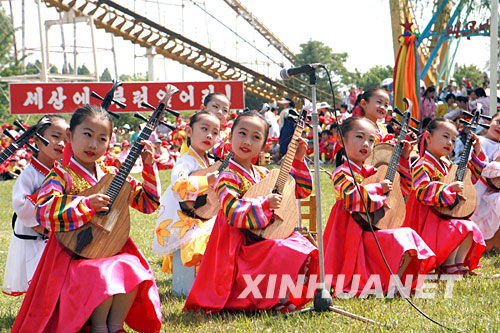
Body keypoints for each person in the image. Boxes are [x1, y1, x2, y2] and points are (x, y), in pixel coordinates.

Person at [12, 104, 163, 332]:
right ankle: (98, 326)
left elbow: (148, 203)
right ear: (70, 136)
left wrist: (149, 166)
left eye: (102, 139)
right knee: (100, 274)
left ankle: (114, 325)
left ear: (109, 142)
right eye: (87, 135)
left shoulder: (111, 175)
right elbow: (42, 209)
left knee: (135, 267)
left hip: (109, 247)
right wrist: (85, 204)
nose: (93, 144)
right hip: (70, 254)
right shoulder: (61, 175)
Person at [184, 110, 318, 313]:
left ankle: (279, 297)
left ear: (264, 146)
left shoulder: (264, 173)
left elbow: (299, 191)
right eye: (242, 134)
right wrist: (265, 203)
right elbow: (232, 211)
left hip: (262, 235)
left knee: (300, 244)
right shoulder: (227, 175)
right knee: (283, 249)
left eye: (256, 137)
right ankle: (261, 299)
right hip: (239, 242)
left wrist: (298, 159)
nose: (247, 141)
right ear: (230, 137)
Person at [323, 117, 436, 296]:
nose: (366, 144)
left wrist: (404, 160)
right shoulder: (341, 172)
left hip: (372, 226)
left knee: (407, 235)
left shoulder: (374, 172)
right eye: (359, 137)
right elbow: (351, 196)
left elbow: (403, 189)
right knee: (398, 238)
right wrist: (378, 188)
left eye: (370, 140)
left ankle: (395, 282)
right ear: (341, 140)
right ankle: (381, 282)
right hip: (351, 231)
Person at [403, 118, 486, 275]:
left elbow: (470, 179)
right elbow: (422, 191)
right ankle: (448, 264)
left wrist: (477, 150)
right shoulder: (422, 164)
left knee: (469, 227)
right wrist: (448, 189)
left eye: (454, 140)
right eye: (445, 137)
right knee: (458, 228)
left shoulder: (447, 164)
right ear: (428, 137)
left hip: (444, 214)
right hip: (427, 218)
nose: (450, 143)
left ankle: (458, 263)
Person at [3, 115, 68, 296]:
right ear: (37, 141)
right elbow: (21, 203)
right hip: (34, 233)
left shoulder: (60, 171)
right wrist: (40, 227)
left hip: (53, 233)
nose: (61, 144)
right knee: (38, 276)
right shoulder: (30, 174)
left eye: (66, 139)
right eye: (55, 136)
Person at [153, 111, 221, 275]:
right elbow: (178, 184)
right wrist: (205, 181)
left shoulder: (209, 161)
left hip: (202, 214)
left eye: (214, 132)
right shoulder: (185, 160)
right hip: (184, 216)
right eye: (204, 129)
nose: (209, 136)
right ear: (189, 132)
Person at [470, 112, 500, 243]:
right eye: (498, 122)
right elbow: (483, 169)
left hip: (493, 194)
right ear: (489, 122)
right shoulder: (479, 141)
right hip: (476, 192)